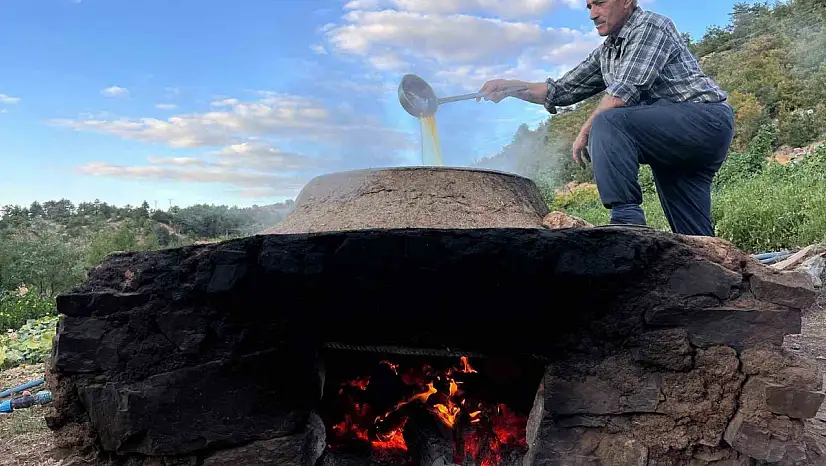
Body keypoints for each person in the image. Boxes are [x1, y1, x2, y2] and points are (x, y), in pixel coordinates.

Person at [478, 0, 734, 237]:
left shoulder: (651, 26)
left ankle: (626, 220)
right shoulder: (607, 52)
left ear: (627, 1)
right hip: (672, 144)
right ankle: (720, 273)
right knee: (694, 237)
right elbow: (561, 90)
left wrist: (586, 131)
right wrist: (511, 87)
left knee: (609, 121)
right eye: (588, 6)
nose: (592, 14)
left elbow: (623, 92)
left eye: (600, 3)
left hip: (704, 122)